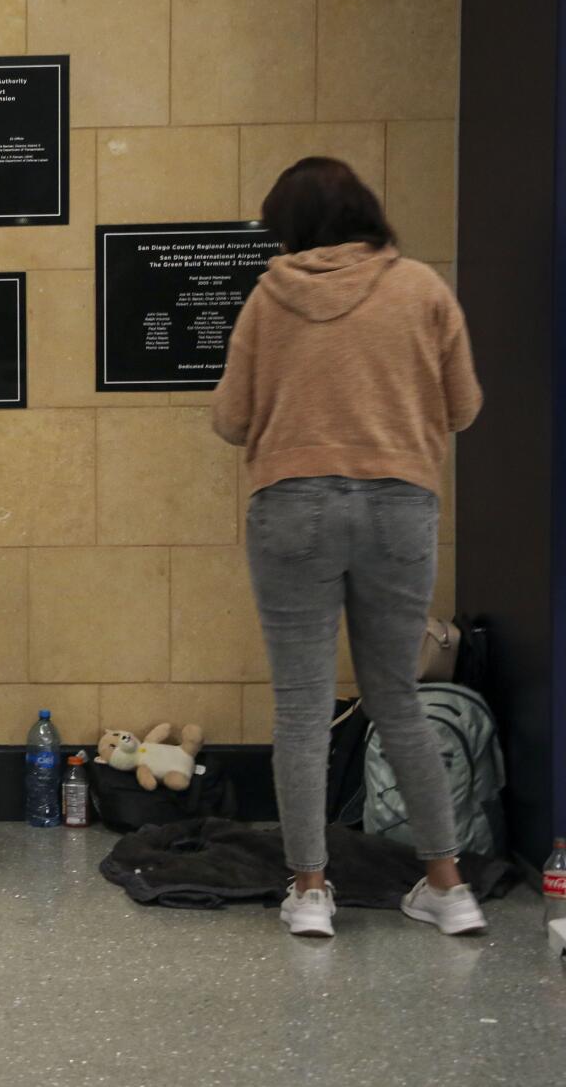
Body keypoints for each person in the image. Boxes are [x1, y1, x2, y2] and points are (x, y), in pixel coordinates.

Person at [213, 156, 487, 939]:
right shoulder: (424, 289)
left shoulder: (271, 298)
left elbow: (231, 417)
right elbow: (464, 405)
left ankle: (309, 892)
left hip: (293, 505)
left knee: (301, 706)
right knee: (396, 694)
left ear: (293, 228)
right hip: (402, 506)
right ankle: (448, 886)